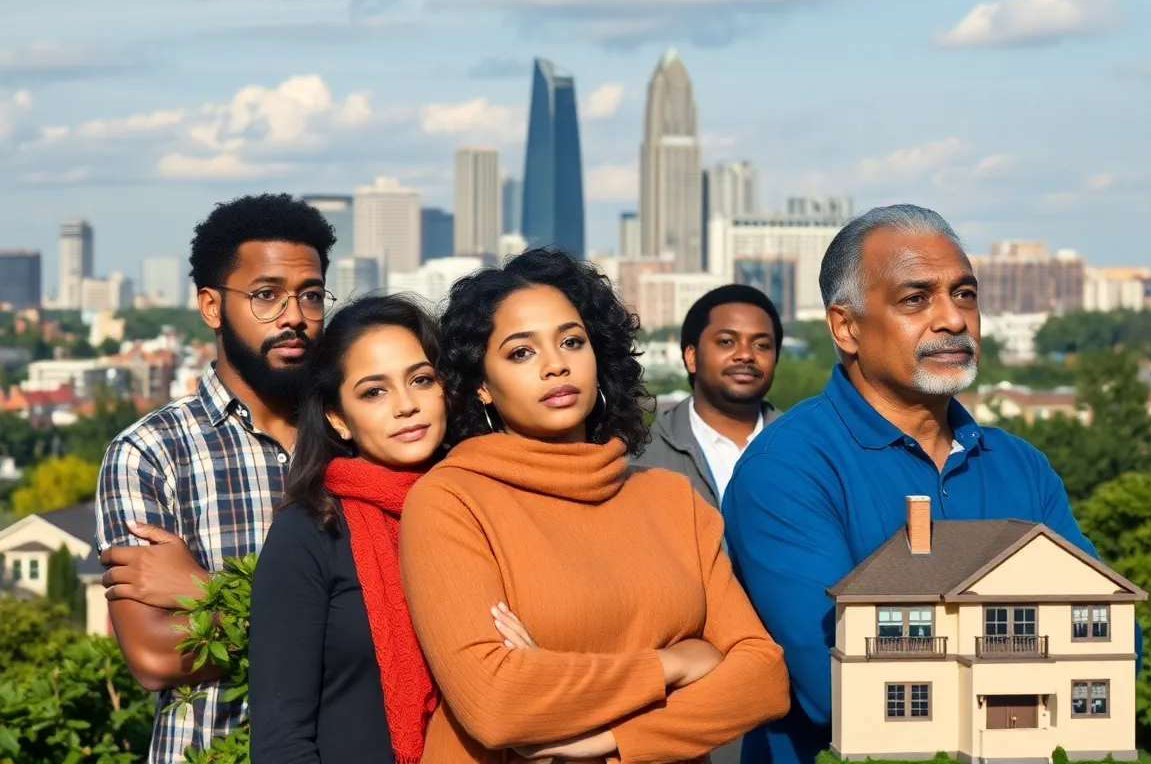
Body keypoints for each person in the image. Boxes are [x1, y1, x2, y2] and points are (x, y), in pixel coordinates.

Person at [721, 204, 1142, 764]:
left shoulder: (1021, 466)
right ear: (845, 327)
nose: (952, 319)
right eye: (915, 299)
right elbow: (840, 689)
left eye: (964, 294)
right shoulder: (786, 469)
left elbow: (1113, 644)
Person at [398, 246, 790, 764]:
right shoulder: (450, 500)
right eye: (521, 352)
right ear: (482, 387)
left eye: (571, 341)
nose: (556, 365)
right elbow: (495, 703)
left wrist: (609, 741)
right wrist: (674, 664)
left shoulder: (671, 498)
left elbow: (763, 678)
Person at [94, 194, 336, 762]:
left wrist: (204, 593)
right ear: (210, 305)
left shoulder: (356, 438)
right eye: (266, 295)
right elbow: (154, 656)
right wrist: (341, 627)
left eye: (310, 295)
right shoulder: (150, 454)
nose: (294, 316)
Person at [248, 294, 446, 763]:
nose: (406, 406)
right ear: (338, 418)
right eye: (374, 391)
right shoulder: (310, 531)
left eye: (421, 380)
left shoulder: (483, 507)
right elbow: (281, 740)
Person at [635, 284, 783, 511]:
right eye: (726, 342)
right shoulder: (642, 458)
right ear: (691, 356)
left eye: (761, 345)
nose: (746, 355)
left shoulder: (805, 447)